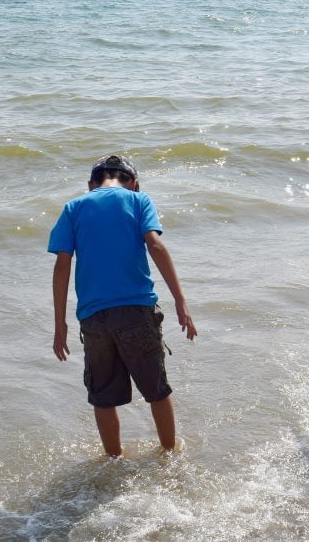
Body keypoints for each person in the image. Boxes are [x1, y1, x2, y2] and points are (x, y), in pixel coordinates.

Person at [49, 154, 197, 457]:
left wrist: (59, 324)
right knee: (157, 391)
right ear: (134, 183)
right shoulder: (138, 200)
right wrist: (181, 301)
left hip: (93, 318)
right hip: (136, 312)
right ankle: (169, 456)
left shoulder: (74, 207)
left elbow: (61, 266)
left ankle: (113, 461)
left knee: (103, 398)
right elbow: (155, 245)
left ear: (91, 184)